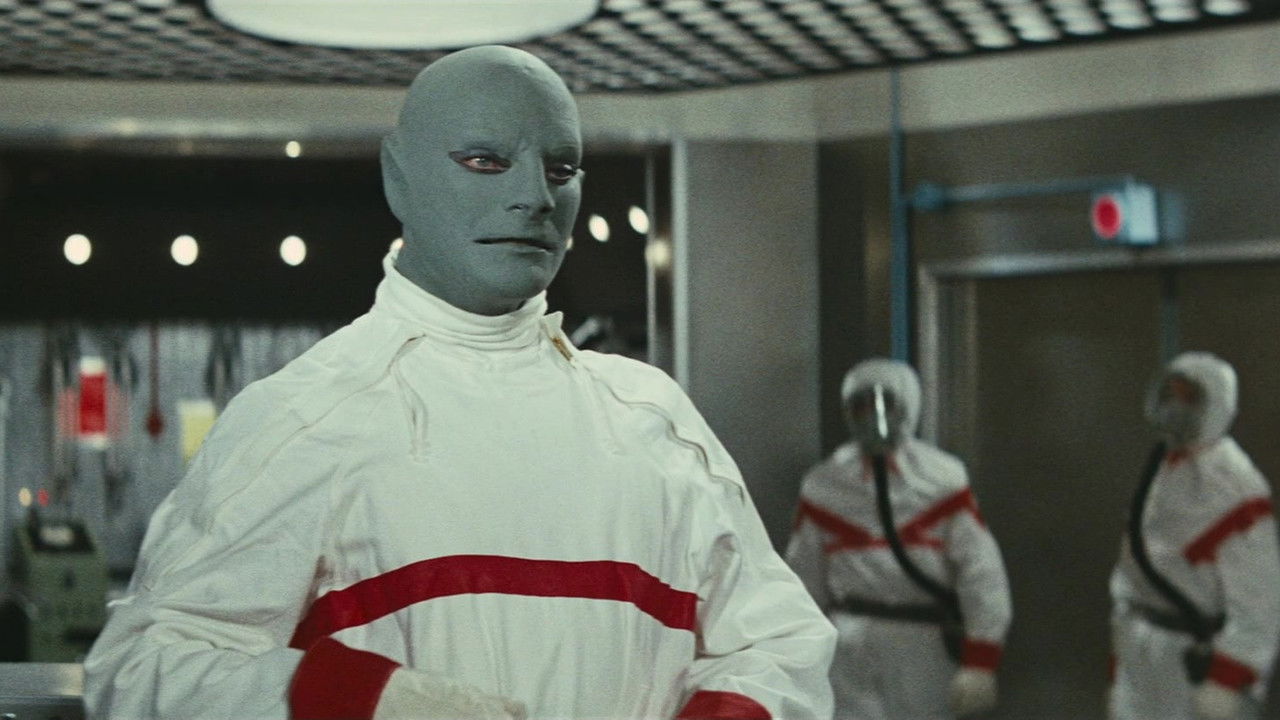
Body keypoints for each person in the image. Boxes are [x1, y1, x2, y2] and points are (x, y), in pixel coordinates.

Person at [84, 45, 836, 720]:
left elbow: (777, 646)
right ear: (398, 178)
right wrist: (369, 701)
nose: (535, 197)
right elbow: (143, 668)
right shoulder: (306, 418)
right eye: (485, 160)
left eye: (562, 169)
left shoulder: (653, 419)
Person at [785, 358, 1012, 720]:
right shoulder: (826, 485)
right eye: (860, 406)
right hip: (848, 645)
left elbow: (981, 574)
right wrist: (796, 654)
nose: (873, 417)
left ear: (907, 406)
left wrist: (980, 660)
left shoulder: (941, 480)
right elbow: (803, 579)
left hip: (923, 644)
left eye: (885, 404)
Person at [1109, 351, 1280, 720]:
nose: (1175, 407)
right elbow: (1137, 563)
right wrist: (1123, 653)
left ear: (1214, 404)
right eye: (1169, 394)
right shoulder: (1162, 468)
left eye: (1188, 397)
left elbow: (1260, 598)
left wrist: (1228, 677)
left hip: (1197, 660)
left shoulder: (1235, 485)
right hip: (1143, 654)